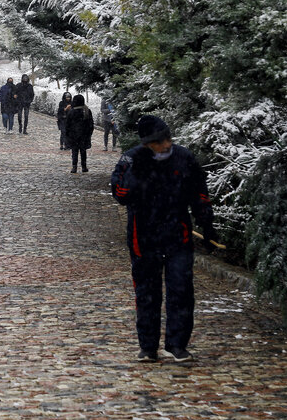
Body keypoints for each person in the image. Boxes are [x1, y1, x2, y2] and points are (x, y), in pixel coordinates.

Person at [109, 115, 218, 364]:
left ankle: (177, 345)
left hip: (177, 234)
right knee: (147, 293)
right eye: (160, 141)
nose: (166, 144)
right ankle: (148, 347)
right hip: (143, 236)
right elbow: (120, 193)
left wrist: (207, 225)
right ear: (148, 143)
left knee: (181, 291)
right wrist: (137, 177)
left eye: (168, 138)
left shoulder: (184, 158)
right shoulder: (132, 158)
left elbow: (199, 193)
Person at [65, 94, 94, 173]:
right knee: (83, 151)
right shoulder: (87, 111)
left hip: (74, 135)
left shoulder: (72, 111)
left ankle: (74, 167)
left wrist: (67, 134)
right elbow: (91, 124)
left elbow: (67, 124)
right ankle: (84, 167)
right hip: (84, 135)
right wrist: (89, 133)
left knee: (74, 151)